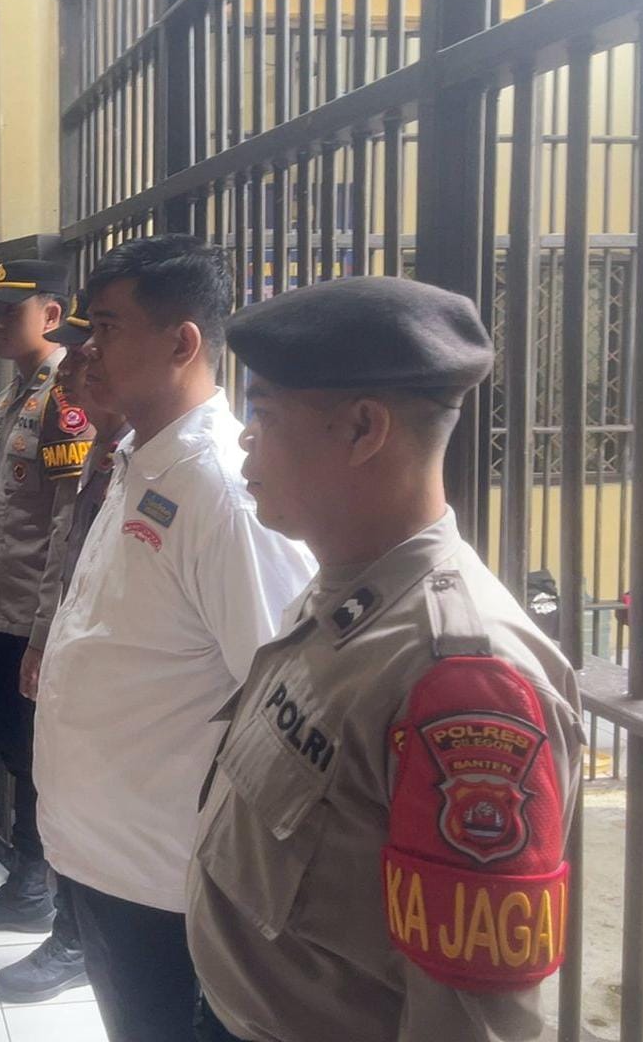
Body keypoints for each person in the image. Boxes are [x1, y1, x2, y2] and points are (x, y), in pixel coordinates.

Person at [186, 276, 585, 1042]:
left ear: (363, 429)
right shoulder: (344, 587)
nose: (244, 437)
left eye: (266, 413)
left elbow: (470, 1023)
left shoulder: (462, 677)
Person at [33, 236, 316, 1042]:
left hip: (172, 882)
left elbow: (280, 702)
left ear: (182, 342)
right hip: (110, 861)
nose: (87, 349)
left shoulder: (222, 488)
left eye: (108, 327)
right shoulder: (140, 458)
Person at [0, 262, 94, 996]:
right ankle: (31, 882)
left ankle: (45, 894)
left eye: (12, 310)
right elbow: (1, 518)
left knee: (42, 763)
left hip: (37, 615)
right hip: (4, 607)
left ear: (53, 314)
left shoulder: (67, 394)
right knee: (16, 752)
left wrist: (39, 634)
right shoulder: (15, 391)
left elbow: (65, 525)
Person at [0, 290, 128, 1005]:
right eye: (75, 353)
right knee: (47, 775)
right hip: (56, 637)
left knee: (73, 792)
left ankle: (65, 925)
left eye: (94, 349)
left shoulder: (172, 467)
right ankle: (59, 915)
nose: (77, 366)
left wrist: (40, 636)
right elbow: (66, 550)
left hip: (111, 676)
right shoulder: (112, 451)